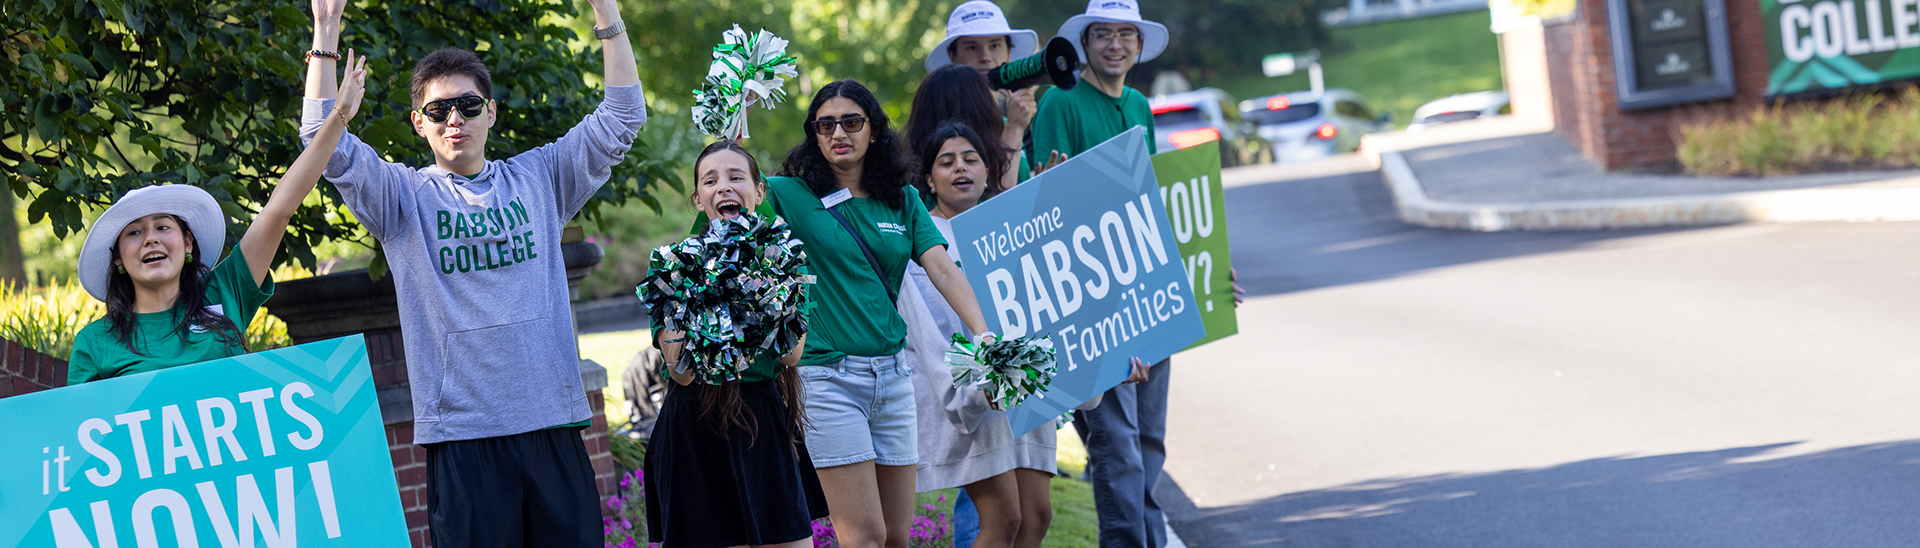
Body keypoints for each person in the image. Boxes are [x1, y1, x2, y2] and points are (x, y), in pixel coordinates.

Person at [299, 0, 646, 544]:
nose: (453, 119)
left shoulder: (542, 178)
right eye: (438, 111)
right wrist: (325, 32)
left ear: (490, 111)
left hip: (551, 424)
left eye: (466, 105)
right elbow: (321, 141)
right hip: (463, 438)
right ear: (419, 123)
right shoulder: (401, 198)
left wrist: (606, 11)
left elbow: (623, 116)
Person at [769, 79, 992, 548]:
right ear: (813, 134)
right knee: (864, 536)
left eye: (851, 121)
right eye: (824, 125)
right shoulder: (788, 195)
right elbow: (729, 190)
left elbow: (945, 272)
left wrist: (984, 335)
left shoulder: (904, 199)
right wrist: (735, 116)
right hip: (826, 379)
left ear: (874, 129)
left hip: (893, 379)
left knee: (895, 536)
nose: (838, 133)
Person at [67, 52, 372, 382]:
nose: (151, 238)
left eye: (163, 226)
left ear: (187, 243)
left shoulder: (226, 290)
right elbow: (81, 430)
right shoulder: (94, 345)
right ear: (117, 260)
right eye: (134, 233)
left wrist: (339, 116)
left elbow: (280, 208)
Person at [1029, 1, 1177, 547]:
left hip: (1150, 289)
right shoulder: (1060, 102)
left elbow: (1154, 197)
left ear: (1139, 45)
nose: (1115, 44)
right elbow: (1047, 200)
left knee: (1151, 443)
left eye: (1126, 35)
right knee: (1118, 446)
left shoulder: (1138, 104)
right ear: (1085, 44)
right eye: (1103, 35)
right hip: (1095, 298)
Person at [643, 140, 828, 548]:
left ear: (759, 192)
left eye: (736, 177)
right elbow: (681, 371)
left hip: (762, 417)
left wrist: (755, 282)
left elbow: (791, 353)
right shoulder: (674, 266)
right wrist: (697, 287)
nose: (723, 187)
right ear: (698, 199)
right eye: (710, 180)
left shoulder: (785, 262)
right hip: (696, 424)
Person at [923, 0, 1045, 185]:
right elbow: (995, 202)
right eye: (972, 47)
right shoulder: (944, 123)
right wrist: (1014, 128)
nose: (985, 57)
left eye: (994, 45)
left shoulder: (1009, 120)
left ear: (1008, 52)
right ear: (952, 56)